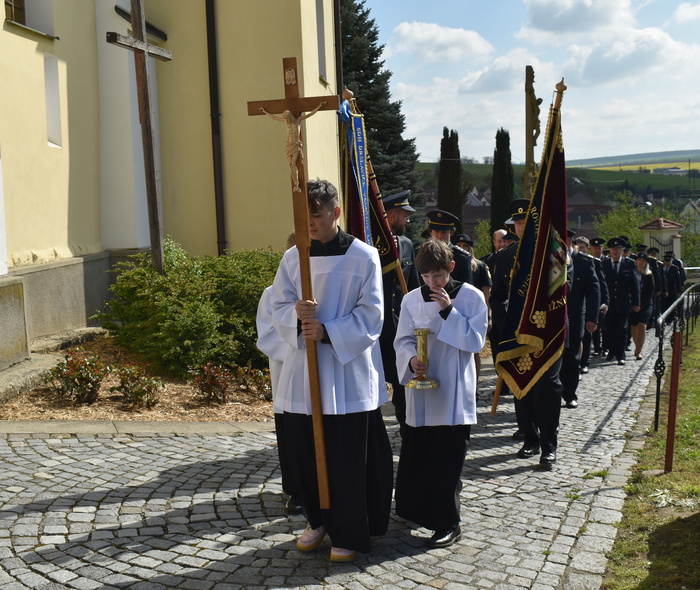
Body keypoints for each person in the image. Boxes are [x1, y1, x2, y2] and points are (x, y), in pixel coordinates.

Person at [267, 179, 393, 562]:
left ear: (336, 212)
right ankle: (317, 519)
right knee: (305, 452)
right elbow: (277, 306)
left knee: (345, 457)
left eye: (317, 216)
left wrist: (327, 332)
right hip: (304, 374)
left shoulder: (363, 256)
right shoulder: (294, 258)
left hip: (345, 372)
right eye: (304, 217)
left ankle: (348, 530)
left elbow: (372, 315)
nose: (310, 224)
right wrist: (295, 314)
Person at [394, 238, 488, 548]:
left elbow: (475, 341)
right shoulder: (411, 300)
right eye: (425, 276)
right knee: (419, 455)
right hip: (421, 391)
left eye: (438, 275)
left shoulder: (470, 296)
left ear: (451, 267)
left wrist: (449, 311)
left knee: (447, 460)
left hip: (452, 391)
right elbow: (402, 340)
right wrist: (411, 359)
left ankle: (448, 522)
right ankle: (415, 510)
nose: (432, 283)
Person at [490, 199, 571, 468]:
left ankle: (549, 445)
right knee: (521, 385)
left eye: (526, 221)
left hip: (548, 332)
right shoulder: (504, 257)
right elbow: (498, 297)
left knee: (547, 386)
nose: (522, 226)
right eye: (517, 222)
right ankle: (530, 439)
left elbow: (565, 289)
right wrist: (508, 323)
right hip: (516, 334)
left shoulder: (554, 253)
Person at [256, 233, 302, 515]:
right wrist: (302, 351)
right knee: (292, 436)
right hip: (288, 377)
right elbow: (267, 336)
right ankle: (296, 490)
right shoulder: (272, 293)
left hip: (321, 378)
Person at [379, 190, 421, 437]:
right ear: (392, 215)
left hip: (399, 329)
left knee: (402, 386)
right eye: (405, 215)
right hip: (376, 329)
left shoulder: (406, 244)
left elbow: (413, 286)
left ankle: (408, 432)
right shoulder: (370, 244)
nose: (408, 220)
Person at [561, 231, 600, 409]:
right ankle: (553, 393)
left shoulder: (584, 261)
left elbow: (593, 291)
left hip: (575, 316)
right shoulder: (551, 259)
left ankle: (570, 395)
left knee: (572, 358)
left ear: (571, 241)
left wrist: (592, 318)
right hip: (554, 316)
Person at [601, 237, 640, 365]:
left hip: (623, 303)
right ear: (610, 250)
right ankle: (611, 351)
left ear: (622, 251)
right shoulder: (604, 264)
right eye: (613, 249)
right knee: (609, 329)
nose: (615, 251)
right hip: (608, 304)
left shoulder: (629, 263)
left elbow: (635, 285)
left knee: (621, 329)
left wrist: (636, 302)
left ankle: (620, 354)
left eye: (618, 249)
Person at [424, 210, 473, 285]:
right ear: (430, 231)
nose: (440, 236)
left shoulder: (462, 257)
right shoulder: (420, 254)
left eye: (444, 232)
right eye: (436, 232)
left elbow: (466, 288)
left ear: (451, 232)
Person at [630, 253, 655, 360]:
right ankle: (636, 347)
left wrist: (640, 305)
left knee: (642, 325)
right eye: (639, 260)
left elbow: (650, 292)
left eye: (643, 260)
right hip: (633, 304)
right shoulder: (632, 273)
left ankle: (639, 351)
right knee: (634, 326)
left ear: (646, 263)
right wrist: (634, 304)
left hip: (646, 304)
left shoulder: (649, 275)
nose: (641, 262)